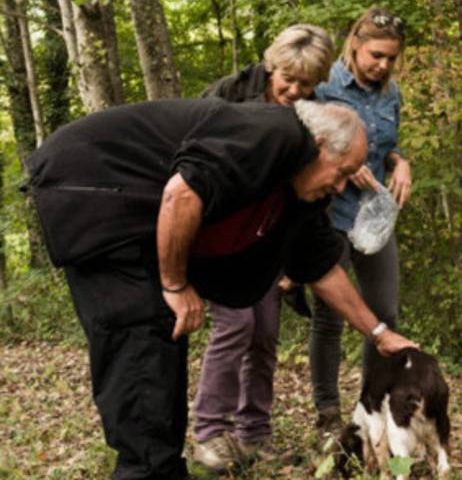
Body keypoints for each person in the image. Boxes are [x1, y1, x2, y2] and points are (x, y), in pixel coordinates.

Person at [25, 98, 416, 480]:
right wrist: (175, 284)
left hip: (132, 213)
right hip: (96, 189)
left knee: (164, 336)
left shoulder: (300, 194)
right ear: (318, 147)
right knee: (139, 332)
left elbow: (322, 268)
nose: (343, 186)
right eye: (344, 172)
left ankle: (161, 466)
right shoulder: (274, 134)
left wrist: (379, 335)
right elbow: (182, 192)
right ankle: (145, 469)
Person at [191, 25, 334, 471]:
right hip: (217, 232)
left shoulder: (313, 114)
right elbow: (192, 163)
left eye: (305, 85)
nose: (294, 91)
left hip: (267, 235)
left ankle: (254, 436)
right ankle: (210, 433)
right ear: (270, 66)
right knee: (234, 325)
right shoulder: (227, 95)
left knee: (265, 333)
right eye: (286, 80)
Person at [309, 7, 413, 433]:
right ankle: (328, 413)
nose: (383, 65)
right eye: (376, 55)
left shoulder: (392, 95)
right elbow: (300, 145)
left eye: (391, 58)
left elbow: (386, 146)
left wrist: (400, 161)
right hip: (330, 212)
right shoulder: (323, 86)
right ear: (354, 43)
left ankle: (371, 407)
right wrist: (343, 165)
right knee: (330, 315)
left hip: (373, 216)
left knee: (384, 312)